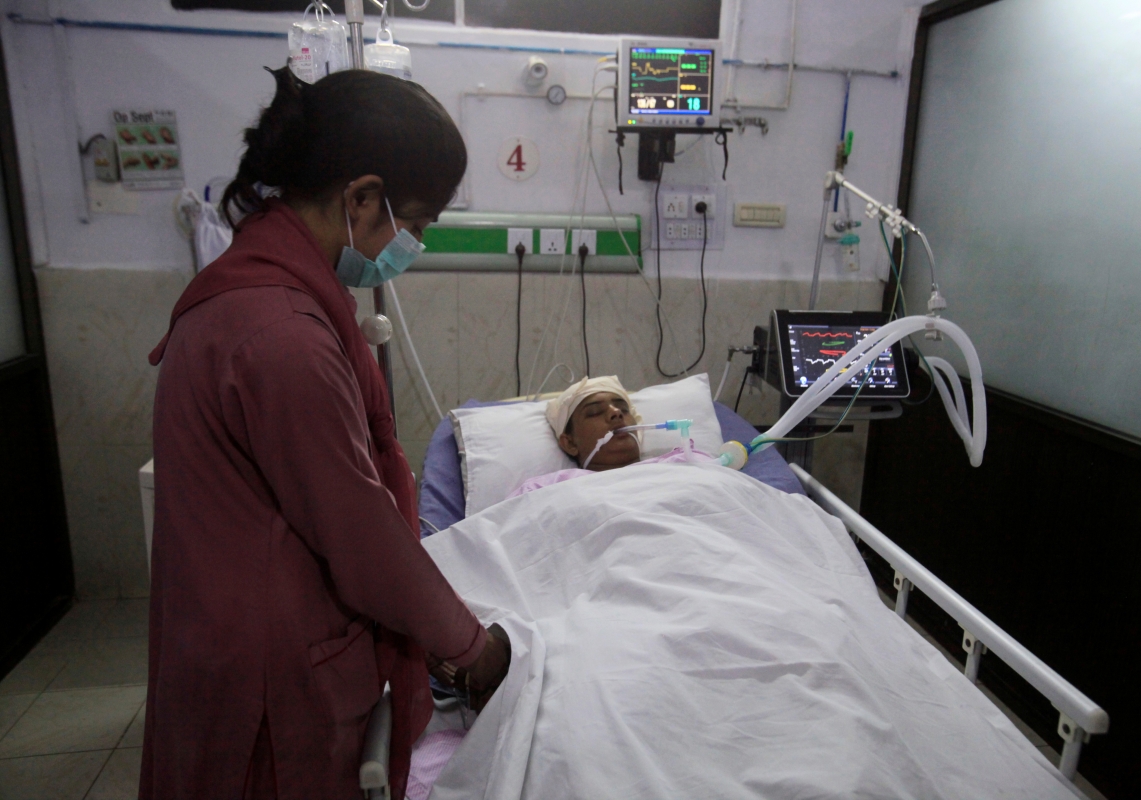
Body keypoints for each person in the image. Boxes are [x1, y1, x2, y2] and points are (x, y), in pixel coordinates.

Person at [142, 67, 509, 799]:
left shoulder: (265, 293)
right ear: (362, 198)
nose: (416, 243)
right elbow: (360, 536)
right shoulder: (282, 335)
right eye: (417, 222)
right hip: (268, 682)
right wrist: (473, 650)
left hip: (240, 635)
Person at [507, 376, 713, 498]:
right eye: (595, 412)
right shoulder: (542, 490)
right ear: (569, 443)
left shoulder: (686, 462)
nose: (616, 413)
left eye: (623, 409)